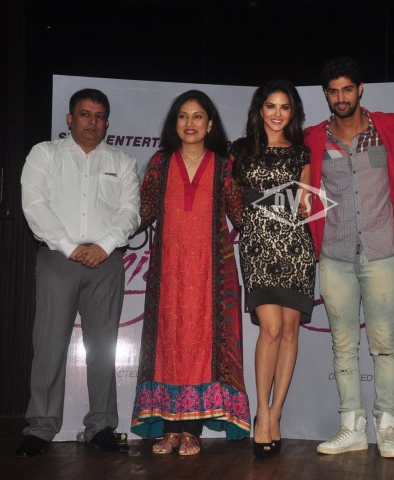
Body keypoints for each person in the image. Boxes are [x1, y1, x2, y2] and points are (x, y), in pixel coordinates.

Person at [18, 88, 140, 456]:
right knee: (49, 345)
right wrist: (70, 247)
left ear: (107, 122)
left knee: (103, 347)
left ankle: (101, 425)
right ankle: (40, 428)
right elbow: (35, 205)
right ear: (69, 119)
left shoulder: (122, 161)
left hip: (106, 261)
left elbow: (129, 211)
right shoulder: (45, 154)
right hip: (58, 259)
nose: (92, 122)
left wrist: (104, 245)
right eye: (85, 114)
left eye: (99, 116)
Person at [130, 90, 250, 455]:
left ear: (210, 124)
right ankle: (170, 430)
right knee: (169, 345)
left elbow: (241, 215)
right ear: (174, 123)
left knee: (203, 345)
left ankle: (192, 431)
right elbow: (142, 212)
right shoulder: (160, 163)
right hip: (169, 272)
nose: (190, 123)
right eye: (183, 116)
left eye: (198, 116)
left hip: (211, 274)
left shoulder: (224, 165)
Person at [305, 57, 394, 458]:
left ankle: (387, 429)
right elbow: (300, 188)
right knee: (343, 345)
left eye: (347, 89)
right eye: (333, 91)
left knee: (384, 345)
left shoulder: (389, 127)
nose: (341, 97)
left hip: (383, 251)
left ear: (360, 89)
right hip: (334, 254)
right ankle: (351, 427)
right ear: (326, 95)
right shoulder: (314, 138)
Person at [231, 79, 315, 458]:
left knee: (290, 332)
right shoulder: (240, 150)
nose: (277, 114)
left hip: (296, 248)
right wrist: (253, 221)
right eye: (271, 106)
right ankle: (260, 413)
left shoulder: (301, 152)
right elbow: (232, 201)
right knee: (271, 329)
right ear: (259, 109)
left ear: (293, 112)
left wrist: (303, 206)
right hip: (258, 247)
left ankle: (275, 413)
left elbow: (305, 204)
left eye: (285, 107)